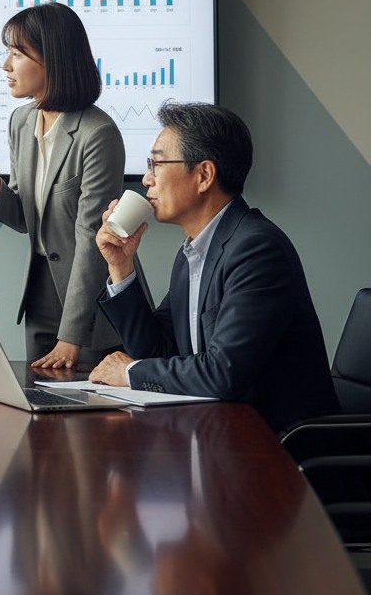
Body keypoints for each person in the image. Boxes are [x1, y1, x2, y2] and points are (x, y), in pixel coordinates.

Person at [89, 100, 340, 433]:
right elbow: (158, 350)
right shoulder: (192, 253)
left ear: (204, 175)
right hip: (218, 437)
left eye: (157, 165)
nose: (147, 179)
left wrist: (130, 373)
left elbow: (223, 374)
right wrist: (121, 267)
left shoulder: (256, 249)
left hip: (277, 455)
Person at [0, 2, 131, 369]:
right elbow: (29, 220)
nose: (6, 66)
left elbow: (93, 238)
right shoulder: (20, 121)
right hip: (40, 292)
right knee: (42, 410)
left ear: (53, 60)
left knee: (90, 418)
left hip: (91, 298)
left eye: (17, 54)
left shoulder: (98, 134)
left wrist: (71, 335)